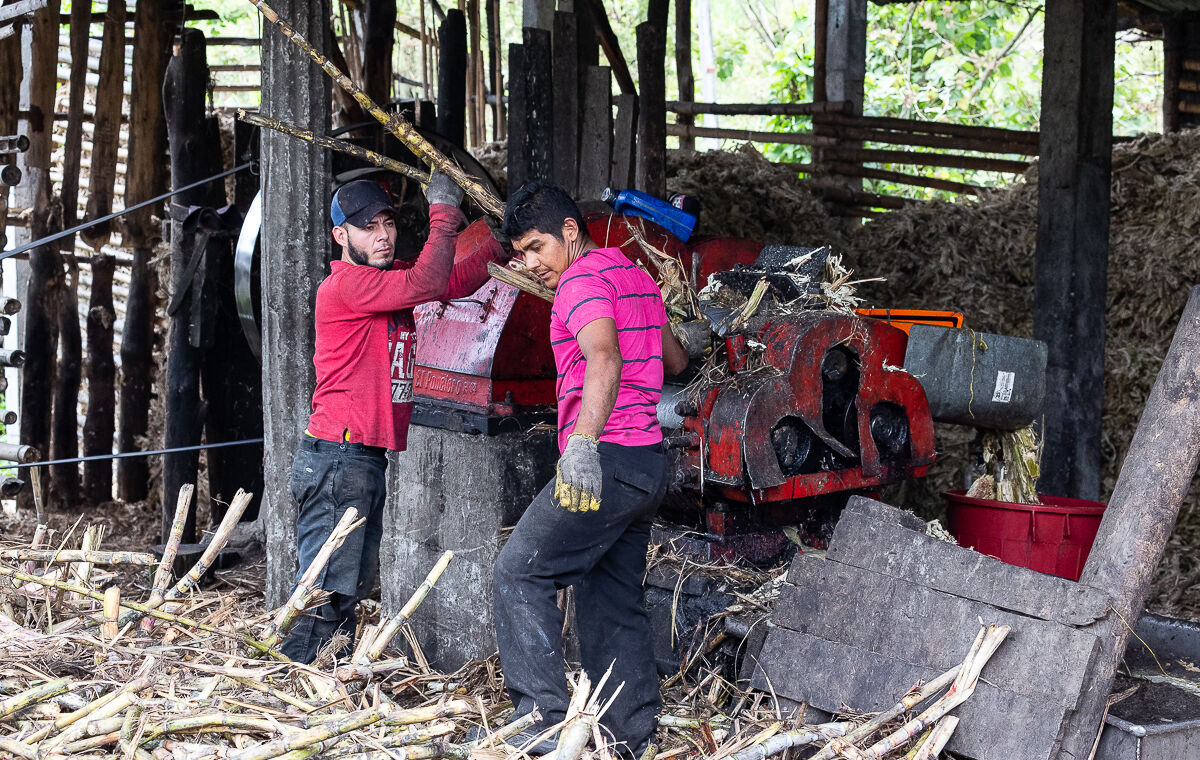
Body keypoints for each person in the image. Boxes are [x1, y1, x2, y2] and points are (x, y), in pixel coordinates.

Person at [490, 181, 690, 757]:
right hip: (646, 467)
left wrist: (581, 445)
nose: (530, 265)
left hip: (603, 460)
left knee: (519, 573)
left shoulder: (578, 282)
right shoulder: (631, 274)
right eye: (520, 255)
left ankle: (541, 723)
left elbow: (605, 355)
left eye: (535, 248)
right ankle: (629, 737)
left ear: (570, 232)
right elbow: (676, 358)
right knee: (611, 598)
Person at [283, 173, 506, 663]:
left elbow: (451, 280)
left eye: (387, 223)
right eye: (368, 228)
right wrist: (444, 212)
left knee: (346, 590)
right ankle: (293, 682)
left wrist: (502, 242)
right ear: (341, 236)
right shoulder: (346, 286)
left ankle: (324, 684)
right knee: (323, 592)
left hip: (358, 459)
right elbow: (428, 280)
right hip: (338, 458)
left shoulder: (385, 281)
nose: (383, 235)